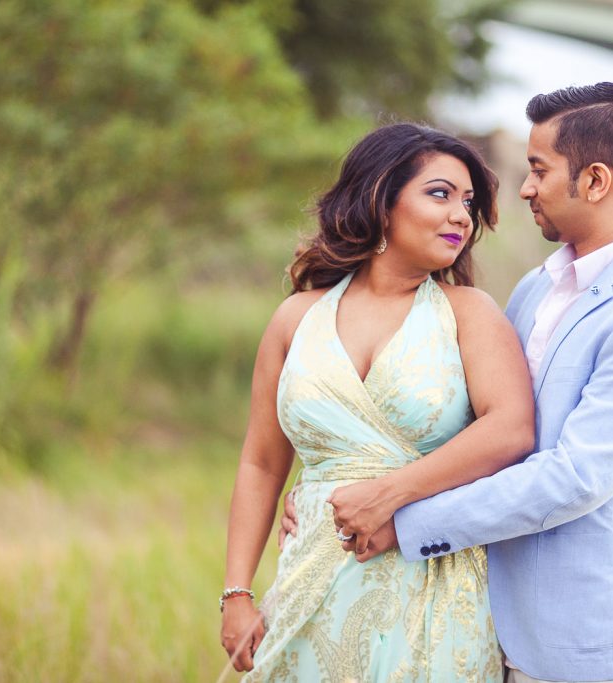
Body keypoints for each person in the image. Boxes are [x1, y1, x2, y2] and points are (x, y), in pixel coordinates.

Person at [293, 82, 613, 682]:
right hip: (479, 621)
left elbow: (573, 478)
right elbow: (468, 420)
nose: (525, 187)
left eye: (539, 170)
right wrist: (339, 486)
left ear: (594, 181)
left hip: (579, 643)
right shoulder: (536, 287)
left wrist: (398, 515)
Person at [220, 123, 536, 680]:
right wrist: (237, 590)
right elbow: (261, 461)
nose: (462, 215)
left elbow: (510, 429)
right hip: (310, 578)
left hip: (429, 583)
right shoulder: (297, 318)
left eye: (468, 202)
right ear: (380, 200)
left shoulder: (469, 312)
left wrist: (389, 493)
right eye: (440, 194)